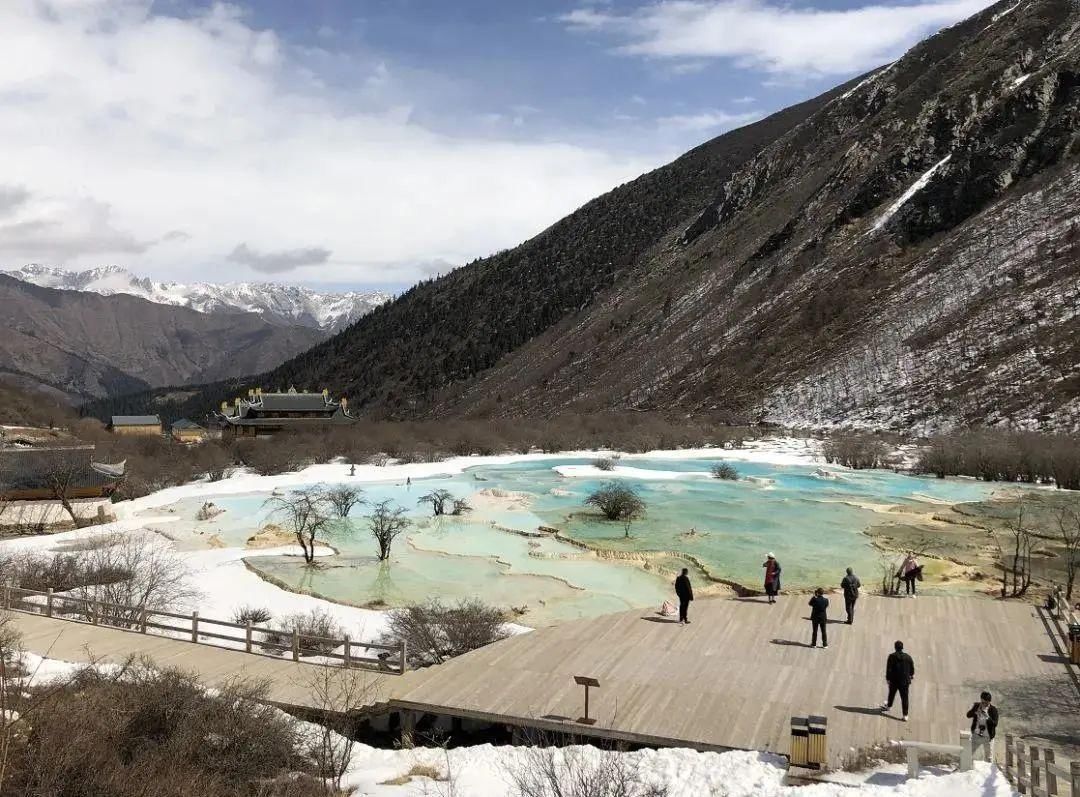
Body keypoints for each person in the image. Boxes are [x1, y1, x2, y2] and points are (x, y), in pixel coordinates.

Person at [881, 640, 915, 721]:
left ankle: (888, 706)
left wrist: (888, 679)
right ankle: (905, 715)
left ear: (895, 647)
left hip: (894, 680)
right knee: (905, 698)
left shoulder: (891, 656)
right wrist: (911, 675)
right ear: (902, 648)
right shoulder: (908, 657)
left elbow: (889, 669)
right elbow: (912, 668)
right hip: (904, 682)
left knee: (892, 693)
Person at [966, 691, 998, 762]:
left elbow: (995, 724)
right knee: (968, 754)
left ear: (989, 702)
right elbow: (968, 715)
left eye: (986, 703)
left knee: (989, 759)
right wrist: (975, 711)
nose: (984, 704)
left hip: (988, 737)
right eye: (983, 702)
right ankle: (962, 770)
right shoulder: (977, 706)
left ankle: (987, 772)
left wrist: (988, 717)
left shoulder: (993, 710)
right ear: (981, 700)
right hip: (976, 735)